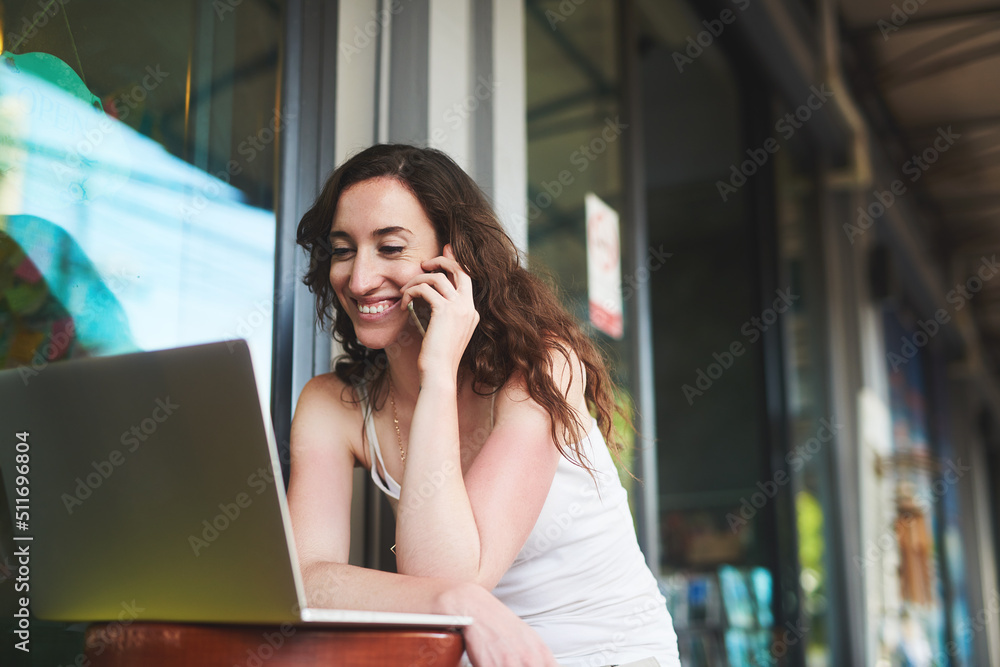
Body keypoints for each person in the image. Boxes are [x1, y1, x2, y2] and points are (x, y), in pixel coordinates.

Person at [289, 144, 681, 667]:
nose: (359, 280)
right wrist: (456, 601)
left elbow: (452, 574)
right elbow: (305, 578)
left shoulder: (542, 366)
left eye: (389, 248)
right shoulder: (330, 405)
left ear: (453, 258)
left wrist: (437, 373)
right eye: (343, 249)